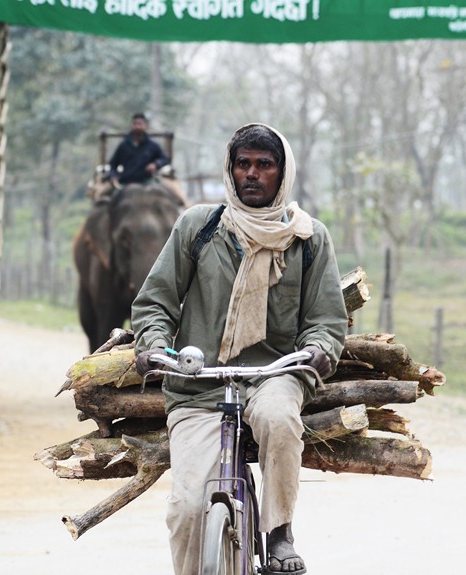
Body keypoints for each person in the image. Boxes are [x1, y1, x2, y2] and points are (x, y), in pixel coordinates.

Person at [132, 123, 348, 575]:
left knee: (279, 419)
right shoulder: (199, 227)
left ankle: (279, 533)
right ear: (230, 171)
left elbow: (326, 320)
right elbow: (156, 302)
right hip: (198, 384)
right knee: (186, 509)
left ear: (282, 173)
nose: (251, 173)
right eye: (242, 164)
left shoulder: (309, 238)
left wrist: (319, 348)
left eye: (264, 165)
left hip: (275, 375)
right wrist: (154, 346)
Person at [107, 112, 170, 187]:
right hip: (126, 181)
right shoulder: (123, 145)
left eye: (140, 124)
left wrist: (156, 164)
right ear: (132, 126)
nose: (137, 127)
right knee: (105, 192)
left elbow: (165, 159)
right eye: (135, 124)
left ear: (145, 126)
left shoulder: (153, 145)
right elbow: (113, 164)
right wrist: (113, 176)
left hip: (147, 181)